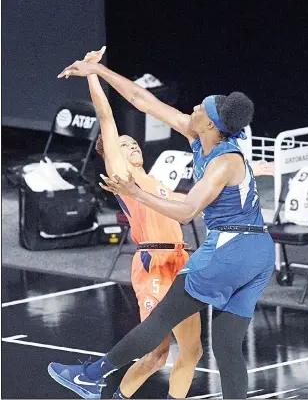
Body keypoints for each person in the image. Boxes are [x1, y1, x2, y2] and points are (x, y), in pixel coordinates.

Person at [48, 56, 276, 400]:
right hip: (256, 252)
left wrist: (135, 192)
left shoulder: (223, 159)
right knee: (227, 345)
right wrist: (98, 71)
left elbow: (186, 211)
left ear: (211, 125)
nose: (192, 108)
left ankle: (92, 376)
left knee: (163, 328)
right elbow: (143, 101)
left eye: (199, 108)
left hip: (229, 248)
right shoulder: (200, 136)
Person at [52, 47, 203, 400]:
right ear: (110, 152)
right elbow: (106, 116)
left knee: (192, 351)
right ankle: (113, 393)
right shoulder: (122, 176)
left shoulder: (158, 183)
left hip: (182, 262)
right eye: (122, 143)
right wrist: (92, 71)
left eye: (133, 142)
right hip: (153, 263)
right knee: (156, 351)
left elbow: (193, 206)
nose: (131, 145)